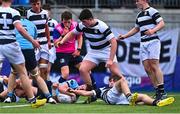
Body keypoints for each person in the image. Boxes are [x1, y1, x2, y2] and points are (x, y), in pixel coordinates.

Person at [58, 9, 123, 92]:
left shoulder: (102, 26)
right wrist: (62, 41)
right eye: (82, 22)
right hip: (94, 51)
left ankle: (127, 93)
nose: (83, 24)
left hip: (106, 50)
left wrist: (110, 59)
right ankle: (91, 91)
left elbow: (114, 42)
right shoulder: (82, 25)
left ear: (90, 19)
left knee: (116, 73)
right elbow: (72, 33)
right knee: (83, 69)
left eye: (85, 21)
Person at [0, 0, 46, 108]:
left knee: (13, 72)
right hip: (11, 44)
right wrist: (33, 41)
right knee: (22, 73)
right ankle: (32, 100)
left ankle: (9, 95)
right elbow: (20, 29)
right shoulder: (14, 12)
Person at [118, 0, 166, 100]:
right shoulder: (139, 15)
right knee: (147, 68)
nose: (136, 3)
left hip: (153, 41)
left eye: (137, 1)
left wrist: (152, 30)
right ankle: (157, 90)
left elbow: (161, 23)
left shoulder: (152, 11)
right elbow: (136, 29)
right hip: (143, 42)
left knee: (154, 65)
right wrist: (124, 36)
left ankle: (162, 91)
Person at [12, 6, 56, 104]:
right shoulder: (32, 24)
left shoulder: (13, 24)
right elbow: (35, 38)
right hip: (29, 50)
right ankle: (49, 96)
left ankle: (12, 96)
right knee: (36, 74)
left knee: (15, 73)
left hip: (17, 50)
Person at [69, 75, 174, 106]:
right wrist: (74, 91)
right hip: (110, 97)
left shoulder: (118, 89)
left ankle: (157, 102)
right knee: (122, 80)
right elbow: (86, 93)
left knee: (142, 97)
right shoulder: (102, 89)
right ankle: (130, 97)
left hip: (120, 99)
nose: (112, 83)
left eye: (113, 81)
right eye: (111, 81)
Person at [53, 11, 83, 83]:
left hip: (73, 52)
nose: (67, 24)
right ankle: (56, 89)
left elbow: (80, 37)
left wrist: (78, 49)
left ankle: (93, 88)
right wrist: (63, 35)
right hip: (62, 53)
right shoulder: (57, 29)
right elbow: (55, 44)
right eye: (65, 22)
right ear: (62, 21)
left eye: (68, 22)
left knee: (84, 69)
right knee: (65, 74)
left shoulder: (76, 25)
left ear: (71, 20)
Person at [27, 0, 51, 81]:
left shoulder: (45, 13)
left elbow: (46, 27)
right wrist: (31, 41)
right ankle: (29, 90)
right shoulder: (28, 14)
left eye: (38, 4)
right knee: (33, 71)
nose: (36, 6)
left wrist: (49, 41)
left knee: (43, 69)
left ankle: (43, 92)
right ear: (31, 4)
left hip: (44, 44)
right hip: (33, 44)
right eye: (34, 4)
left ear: (40, 4)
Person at [42, 4, 58, 80]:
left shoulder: (54, 23)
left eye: (47, 12)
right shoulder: (40, 22)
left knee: (47, 69)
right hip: (42, 46)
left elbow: (58, 35)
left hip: (51, 47)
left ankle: (46, 87)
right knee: (40, 68)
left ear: (50, 13)